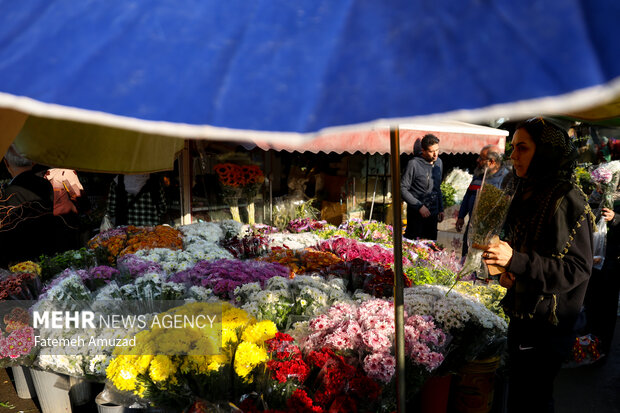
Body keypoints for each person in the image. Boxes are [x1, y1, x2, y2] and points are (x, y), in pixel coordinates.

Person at [483, 118, 594, 412]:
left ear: (544, 151)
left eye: (522, 148)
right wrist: (508, 273)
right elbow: (528, 252)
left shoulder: (566, 198)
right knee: (519, 396)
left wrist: (516, 261)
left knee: (532, 401)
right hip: (523, 317)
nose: (513, 156)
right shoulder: (528, 190)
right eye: (512, 148)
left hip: (547, 327)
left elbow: (577, 268)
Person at [0, 145, 78, 267]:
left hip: (27, 269)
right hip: (64, 259)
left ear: (6, 163)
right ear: (34, 162)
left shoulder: (7, 197)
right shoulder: (55, 186)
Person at [455, 144, 509, 258]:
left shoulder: (506, 179)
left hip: (489, 234)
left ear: (492, 162)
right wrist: (461, 216)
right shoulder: (478, 175)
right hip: (471, 228)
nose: (477, 160)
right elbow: (467, 195)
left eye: (481, 158)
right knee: (467, 258)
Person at [583, 201, 620, 362]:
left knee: (606, 309)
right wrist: (598, 194)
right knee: (589, 304)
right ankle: (584, 346)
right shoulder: (609, 191)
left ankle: (600, 349)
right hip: (594, 257)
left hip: (613, 262)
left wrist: (616, 218)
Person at [401, 134, 444, 240]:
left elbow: (437, 188)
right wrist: (419, 206)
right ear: (423, 150)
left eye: (437, 150)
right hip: (416, 216)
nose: (435, 154)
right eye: (431, 151)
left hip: (433, 217)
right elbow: (402, 188)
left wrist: (441, 208)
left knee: (431, 249)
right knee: (414, 250)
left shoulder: (439, 163)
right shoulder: (413, 164)